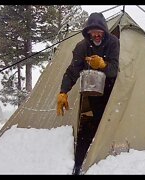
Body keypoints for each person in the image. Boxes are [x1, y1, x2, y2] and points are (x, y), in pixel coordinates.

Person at [56, 12, 120, 174]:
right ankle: (82, 160)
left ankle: (109, 154)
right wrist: (63, 91)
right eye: (93, 32)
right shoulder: (82, 47)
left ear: (104, 32)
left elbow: (114, 70)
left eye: (99, 32)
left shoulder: (113, 42)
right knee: (96, 119)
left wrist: (103, 64)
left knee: (110, 119)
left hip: (112, 87)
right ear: (88, 33)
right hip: (92, 90)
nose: (96, 35)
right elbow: (72, 71)